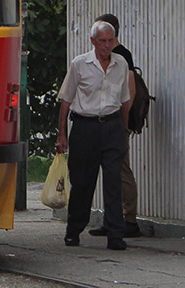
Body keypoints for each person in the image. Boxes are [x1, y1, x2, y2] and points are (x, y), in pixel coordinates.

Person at [56, 18, 132, 251]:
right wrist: (62, 135)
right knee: (83, 182)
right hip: (85, 128)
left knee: (113, 182)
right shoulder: (80, 64)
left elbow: (125, 101)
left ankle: (115, 234)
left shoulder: (121, 64)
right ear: (93, 41)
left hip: (111, 127)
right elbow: (66, 102)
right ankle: (74, 230)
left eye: (110, 41)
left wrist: (124, 132)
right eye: (102, 41)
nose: (106, 46)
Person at [88, 13, 142, 239]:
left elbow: (128, 94)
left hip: (117, 122)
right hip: (110, 123)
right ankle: (113, 218)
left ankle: (128, 218)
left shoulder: (121, 57)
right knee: (112, 172)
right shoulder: (111, 56)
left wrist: (124, 128)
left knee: (122, 170)